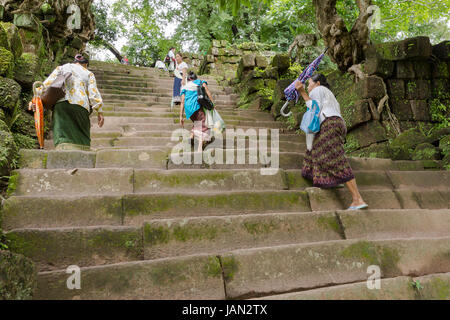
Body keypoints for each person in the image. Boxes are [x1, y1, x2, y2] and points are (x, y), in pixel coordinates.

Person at [295, 73, 368, 210]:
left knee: (336, 159)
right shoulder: (330, 95)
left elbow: (314, 108)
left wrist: (302, 92)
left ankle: (357, 199)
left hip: (329, 124)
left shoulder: (318, 90)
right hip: (337, 123)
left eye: (310, 83)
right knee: (314, 152)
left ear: (317, 83)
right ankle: (332, 180)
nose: (309, 86)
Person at [35, 54, 104, 151]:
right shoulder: (88, 73)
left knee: (62, 133)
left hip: (62, 103)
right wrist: (99, 111)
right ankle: (83, 154)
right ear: (85, 64)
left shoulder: (62, 68)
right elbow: (93, 94)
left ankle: (63, 152)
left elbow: (48, 83)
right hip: (81, 105)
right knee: (82, 135)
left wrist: (36, 95)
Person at [179, 71, 215, 152]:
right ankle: (199, 147)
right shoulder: (200, 82)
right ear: (195, 78)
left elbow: (182, 101)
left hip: (188, 110)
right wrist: (212, 104)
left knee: (197, 122)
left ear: (188, 79)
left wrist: (181, 116)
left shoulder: (184, 87)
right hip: (197, 107)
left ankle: (191, 136)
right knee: (204, 125)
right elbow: (208, 92)